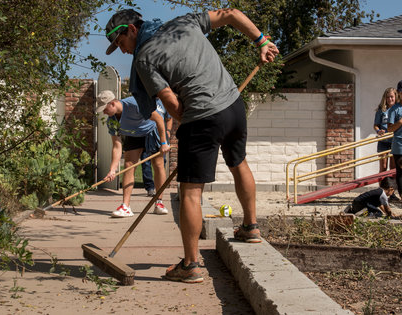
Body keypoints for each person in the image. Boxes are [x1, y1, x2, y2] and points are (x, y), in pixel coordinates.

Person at [104, 8, 279, 283]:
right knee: (238, 163)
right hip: (233, 106)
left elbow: (171, 104)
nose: (123, 51)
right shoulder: (183, 22)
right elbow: (231, 13)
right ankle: (251, 227)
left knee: (190, 192)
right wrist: (262, 41)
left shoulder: (145, 58)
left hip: (202, 117)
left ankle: (190, 264)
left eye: (121, 43)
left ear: (132, 30)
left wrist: (195, 125)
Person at [96, 90, 170, 218]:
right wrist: (112, 170)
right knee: (129, 165)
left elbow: (158, 118)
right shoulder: (112, 122)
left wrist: (164, 143)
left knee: (158, 165)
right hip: (133, 134)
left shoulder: (135, 104)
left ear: (112, 103)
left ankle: (159, 203)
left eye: (105, 108)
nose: (104, 112)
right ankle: (125, 206)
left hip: (151, 129)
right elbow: (117, 146)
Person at [140, 105, 172, 197]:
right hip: (146, 136)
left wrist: (168, 131)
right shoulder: (144, 100)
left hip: (160, 138)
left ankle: (160, 192)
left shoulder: (164, 103)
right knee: (146, 162)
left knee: (161, 164)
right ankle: (150, 188)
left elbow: (169, 119)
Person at [374, 87, 397, 173]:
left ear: (395, 97)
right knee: (383, 167)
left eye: (391, 97)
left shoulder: (398, 109)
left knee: (393, 167)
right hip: (383, 141)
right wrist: (378, 131)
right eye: (387, 97)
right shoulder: (381, 110)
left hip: (394, 141)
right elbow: (376, 125)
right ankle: (383, 186)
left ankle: (392, 186)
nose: (390, 99)